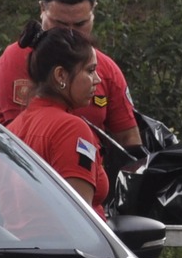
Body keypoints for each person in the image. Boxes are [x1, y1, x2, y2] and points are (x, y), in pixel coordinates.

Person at [0, 0, 140, 155]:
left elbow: (129, 139)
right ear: (42, 10)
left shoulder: (107, 70)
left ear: (93, 12)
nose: (70, 34)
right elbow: (25, 136)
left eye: (79, 24)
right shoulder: (17, 59)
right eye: (60, 24)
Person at [6, 27, 107, 210]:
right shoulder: (72, 129)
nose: (98, 79)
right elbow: (80, 220)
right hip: (62, 238)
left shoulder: (10, 130)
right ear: (61, 75)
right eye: (90, 70)